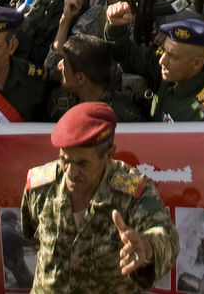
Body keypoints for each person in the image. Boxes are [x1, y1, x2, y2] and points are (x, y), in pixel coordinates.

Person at [20, 102, 179, 293]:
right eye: (65, 159)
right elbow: (31, 235)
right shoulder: (40, 186)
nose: (70, 172)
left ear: (109, 155)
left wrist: (148, 246)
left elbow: (167, 237)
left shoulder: (131, 191)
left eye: (82, 163)